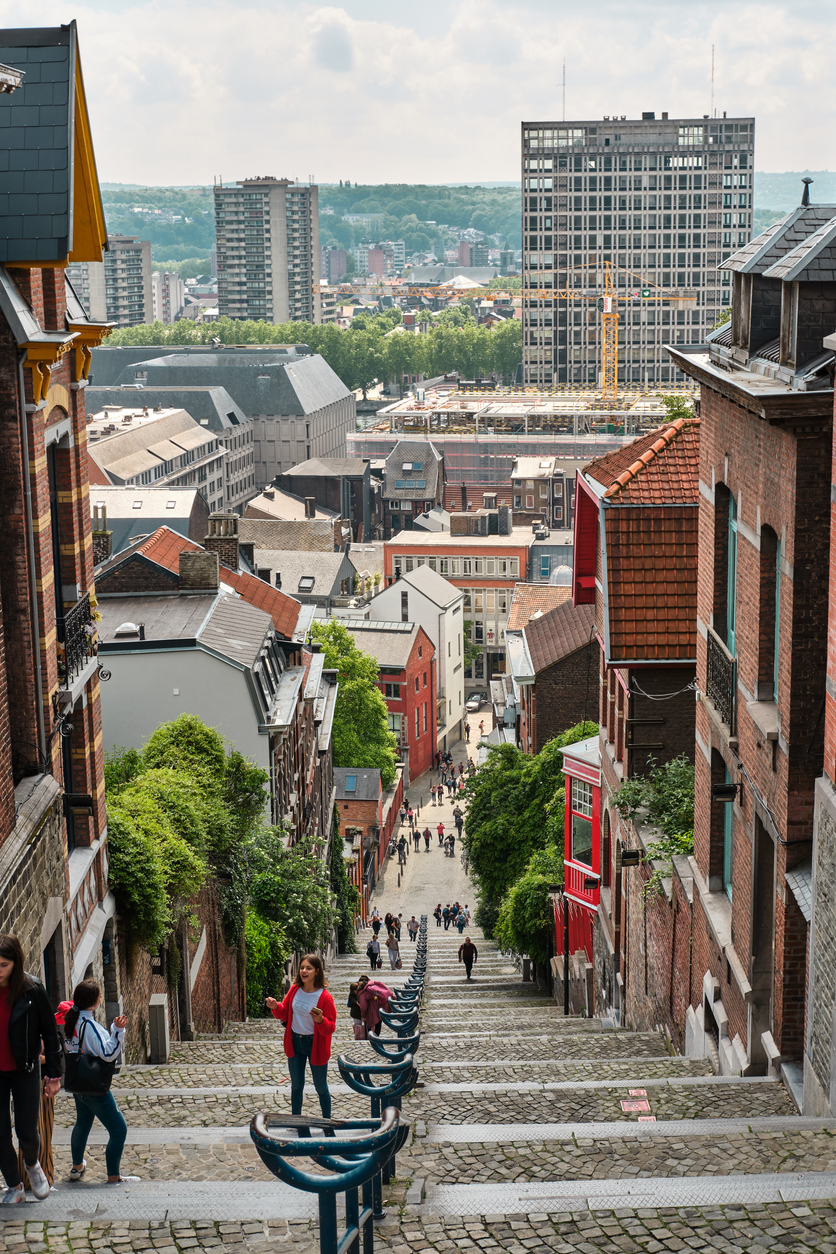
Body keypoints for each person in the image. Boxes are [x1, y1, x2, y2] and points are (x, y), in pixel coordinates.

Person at [0, 935, 62, 1204]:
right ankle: (14, 1186)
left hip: (25, 1067)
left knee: (26, 1130)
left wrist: (54, 1076)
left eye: (2, 965)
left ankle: (33, 1164)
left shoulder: (32, 989)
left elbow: (50, 1033)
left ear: (16, 963)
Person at [64, 979, 139, 1186]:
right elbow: (108, 1053)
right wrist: (118, 1031)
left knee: (83, 1123)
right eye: (99, 996)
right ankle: (113, 1176)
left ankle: (77, 1166)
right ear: (95, 1002)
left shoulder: (72, 1021)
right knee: (119, 1130)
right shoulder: (89, 1025)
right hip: (94, 1086)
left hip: (78, 1084)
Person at [267, 955, 336, 1122]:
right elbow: (284, 1012)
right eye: (302, 967)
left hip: (315, 1044)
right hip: (295, 1041)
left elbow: (331, 1026)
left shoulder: (324, 997)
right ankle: (296, 1121)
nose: (304, 971)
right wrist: (276, 1006)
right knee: (296, 1087)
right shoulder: (295, 989)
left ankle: (327, 1122)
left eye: (309, 968)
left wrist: (320, 1021)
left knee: (321, 1087)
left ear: (317, 971)